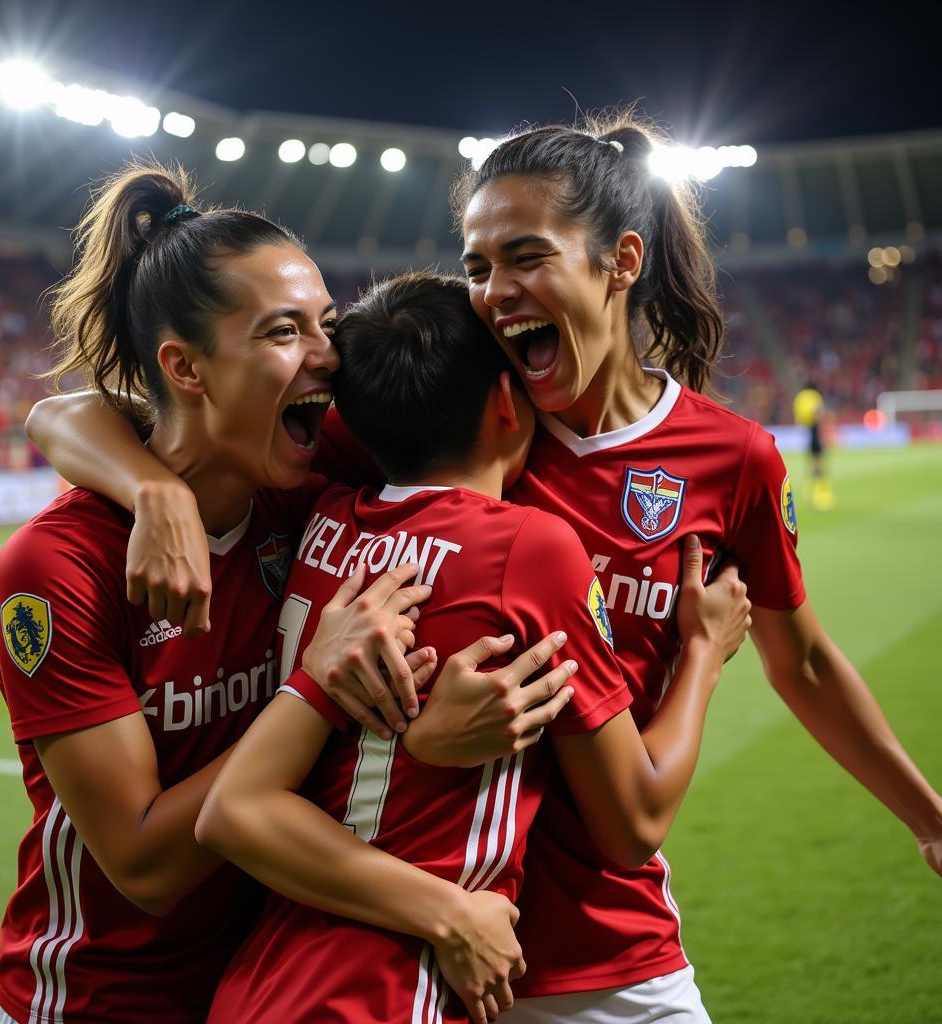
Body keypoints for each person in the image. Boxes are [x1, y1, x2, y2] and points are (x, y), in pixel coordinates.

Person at [447, 114, 942, 1022]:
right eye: (476, 267)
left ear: (622, 259)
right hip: (438, 945)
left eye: (524, 256)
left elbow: (807, 662)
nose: (493, 292)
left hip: (610, 951)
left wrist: (930, 819)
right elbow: (157, 420)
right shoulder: (451, 420)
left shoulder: (733, 458)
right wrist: (144, 488)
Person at [194, 271, 749, 1024]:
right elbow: (634, 822)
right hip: (387, 986)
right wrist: (704, 656)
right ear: (502, 400)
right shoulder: (529, 549)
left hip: (265, 972)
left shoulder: (323, 517)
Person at [0, 161, 460, 1024]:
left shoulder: (307, 481)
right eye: (284, 332)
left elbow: (59, 413)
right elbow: (145, 865)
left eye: (327, 322)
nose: (328, 356)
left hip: (260, 990)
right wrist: (310, 691)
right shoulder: (54, 573)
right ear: (187, 368)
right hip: (100, 1000)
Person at [793, 380, 835, 510]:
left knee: (811, 461)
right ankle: (819, 494)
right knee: (819, 462)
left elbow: (797, 415)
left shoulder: (799, 397)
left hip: (802, 430)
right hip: (813, 430)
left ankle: (809, 490)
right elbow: (817, 413)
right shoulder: (814, 396)